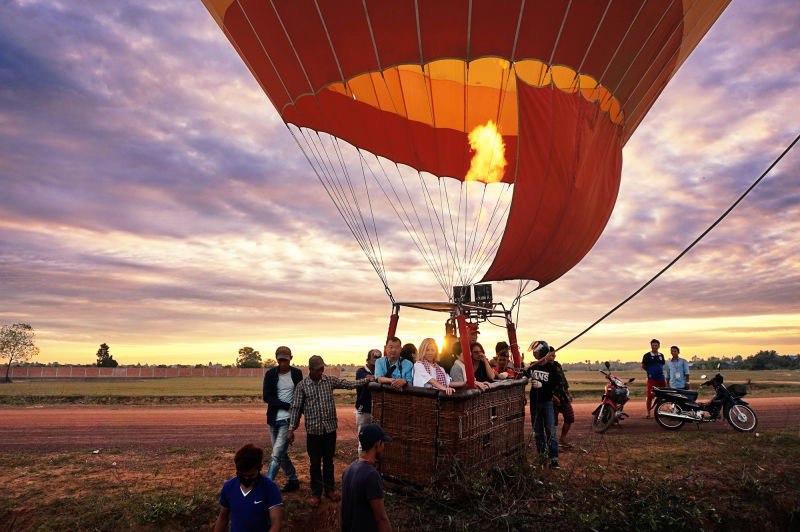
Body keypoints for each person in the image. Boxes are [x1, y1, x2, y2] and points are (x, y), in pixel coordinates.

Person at [288, 355, 373, 507]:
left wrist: (367, 380)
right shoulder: (302, 386)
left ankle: (330, 490)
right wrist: (291, 429)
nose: (321, 371)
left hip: (330, 429)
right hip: (313, 431)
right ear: (310, 369)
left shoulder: (329, 381)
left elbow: (349, 384)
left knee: (328, 461)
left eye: (322, 368)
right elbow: (296, 408)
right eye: (318, 369)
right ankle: (316, 493)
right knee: (314, 463)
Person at [214, 443, 282, 532]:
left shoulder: (270, 488)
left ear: (260, 468)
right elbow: (223, 518)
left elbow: (276, 524)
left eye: (251, 476)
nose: (246, 479)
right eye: (242, 475)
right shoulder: (229, 487)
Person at [262, 346, 302, 492]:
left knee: (275, 456)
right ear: (277, 359)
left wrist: (295, 419)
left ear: (291, 358)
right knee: (280, 452)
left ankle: (265, 487)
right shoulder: (270, 374)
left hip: (287, 421)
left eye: (285, 360)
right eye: (280, 360)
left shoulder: (296, 374)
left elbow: (300, 396)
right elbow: (267, 397)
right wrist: (287, 405)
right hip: (273, 419)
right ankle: (293, 480)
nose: (283, 363)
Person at [341, 424, 393, 532]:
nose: (384, 446)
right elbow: (381, 519)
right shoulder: (371, 475)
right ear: (377, 444)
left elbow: (344, 512)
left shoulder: (348, 470)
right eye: (383, 443)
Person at [525, 340, 560, 468]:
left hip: (547, 402)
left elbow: (556, 383)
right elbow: (523, 375)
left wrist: (543, 385)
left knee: (550, 430)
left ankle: (554, 459)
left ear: (542, 351)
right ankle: (542, 456)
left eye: (537, 351)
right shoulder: (533, 366)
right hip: (534, 403)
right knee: (538, 431)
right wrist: (524, 370)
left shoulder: (551, 368)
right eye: (534, 352)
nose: (535, 354)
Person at [355, 349, 381, 452]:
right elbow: (368, 378)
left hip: (376, 410)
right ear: (367, 360)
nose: (376, 360)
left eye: (379, 357)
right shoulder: (361, 371)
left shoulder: (380, 371)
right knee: (363, 439)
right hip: (364, 409)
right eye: (374, 357)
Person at [549, 347, 575, 449]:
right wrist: (552, 396)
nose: (553, 357)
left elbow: (563, 380)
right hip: (551, 397)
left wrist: (568, 393)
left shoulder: (557, 365)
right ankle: (552, 443)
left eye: (554, 355)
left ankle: (562, 439)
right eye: (551, 355)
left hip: (562, 395)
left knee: (570, 416)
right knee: (552, 422)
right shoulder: (543, 367)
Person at [642, 339, 667, 418]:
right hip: (652, 379)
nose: (654, 347)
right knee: (650, 396)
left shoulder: (661, 355)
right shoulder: (647, 355)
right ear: (651, 346)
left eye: (656, 345)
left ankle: (660, 411)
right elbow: (643, 366)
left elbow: (662, 365)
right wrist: (650, 372)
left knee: (663, 395)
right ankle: (648, 412)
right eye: (653, 345)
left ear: (659, 346)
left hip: (661, 378)